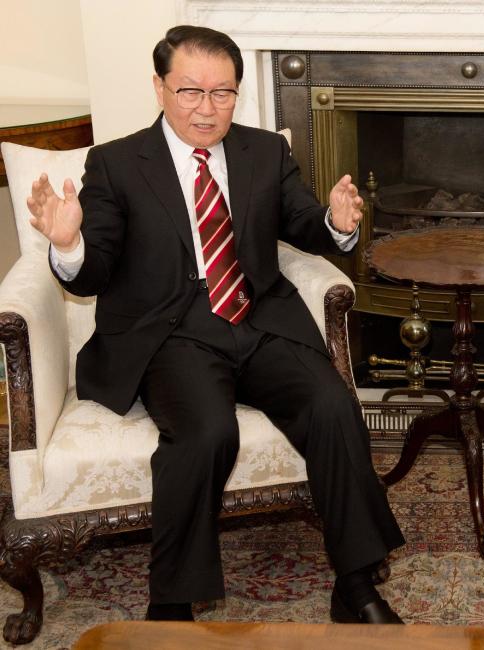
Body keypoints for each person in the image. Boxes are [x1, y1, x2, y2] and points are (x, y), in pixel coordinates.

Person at [26, 25, 405, 624]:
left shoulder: (264, 151)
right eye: (190, 91)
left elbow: (303, 223)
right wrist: (69, 242)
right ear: (159, 88)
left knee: (333, 406)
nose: (207, 109)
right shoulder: (118, 163)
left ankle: (356, 585)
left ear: (238, 93)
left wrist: (336, 223)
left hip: (259, 318)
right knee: (207, 433)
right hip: (171, 330)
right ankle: (171, 607)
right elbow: (91, 272)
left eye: (222, 92)